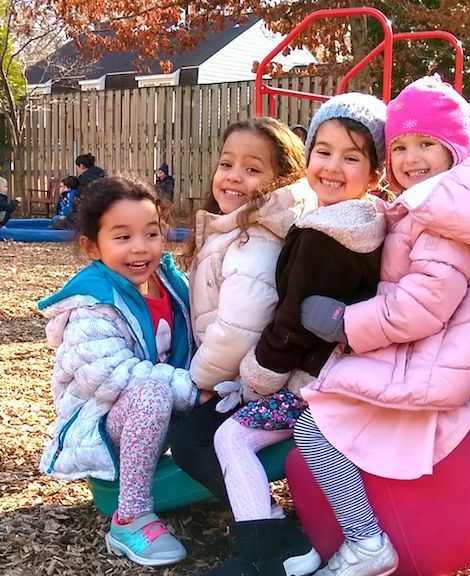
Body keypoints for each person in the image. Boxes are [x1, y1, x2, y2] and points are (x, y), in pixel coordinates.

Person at [295, 75, 470, 576]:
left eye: (427, 143)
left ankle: (365, 540)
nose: (410, 157)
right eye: (400, 145)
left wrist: (346, 323)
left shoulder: (444, 215)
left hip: (430, 357)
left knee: (314, 424)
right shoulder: (447, 205)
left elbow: (423, 305)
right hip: (439, 350)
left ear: (455, 150)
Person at [202, 92, 388, 576]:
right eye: (323, 152)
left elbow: (291, 324)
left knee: (232, 438)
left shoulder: (324, 238)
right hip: (337, 371)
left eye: (351, 157)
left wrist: (254, 378)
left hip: (312, 383)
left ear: (374, 175)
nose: (331, 166)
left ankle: (263, 547)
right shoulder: (361, 221)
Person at [37, 175, 205, 567]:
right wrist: (196, 389)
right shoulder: (92, 308)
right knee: (151, 391)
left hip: (169, 407)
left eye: (151, 233)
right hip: (105, 419)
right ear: (92, 247)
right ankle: (129, 517)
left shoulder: (172, 285)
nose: (140, 248)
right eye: (123, 237)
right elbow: (115, 376)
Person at [168, 117, 316, 524]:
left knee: (192, 442)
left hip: (253, 381)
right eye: (226, 163)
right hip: (239, 375)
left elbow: (238, 331)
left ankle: (267, 525)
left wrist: (201, 384)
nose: (233, 177)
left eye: (252, 169)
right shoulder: (238, 227)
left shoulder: (259, 239)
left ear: (280, 179)